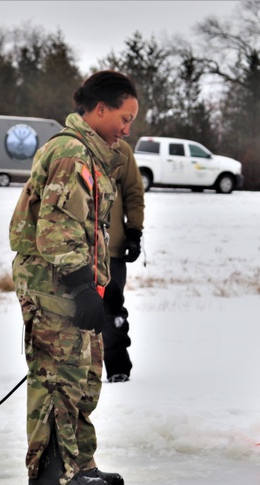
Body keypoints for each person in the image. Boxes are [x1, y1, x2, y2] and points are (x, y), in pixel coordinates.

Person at [9, 70, 139, 485]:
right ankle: (51, 476)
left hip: (76, 283)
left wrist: (105, 287)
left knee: (84, 377)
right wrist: (83, 287)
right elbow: (57, 230)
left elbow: (91, 232)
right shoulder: (71, 153)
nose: (127, 128)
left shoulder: (96, 156)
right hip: (54, 286)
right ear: (99, 109)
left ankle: (79, 464)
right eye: (124, 117)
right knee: (57, 378)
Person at [101, 138, 145, 382]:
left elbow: (134, 192)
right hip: (74, 251)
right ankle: (76, 371)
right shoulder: (71, 144)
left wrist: (134, 233)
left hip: (112, 251)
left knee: (112, 311)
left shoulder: (121, 150)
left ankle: (118, 368)